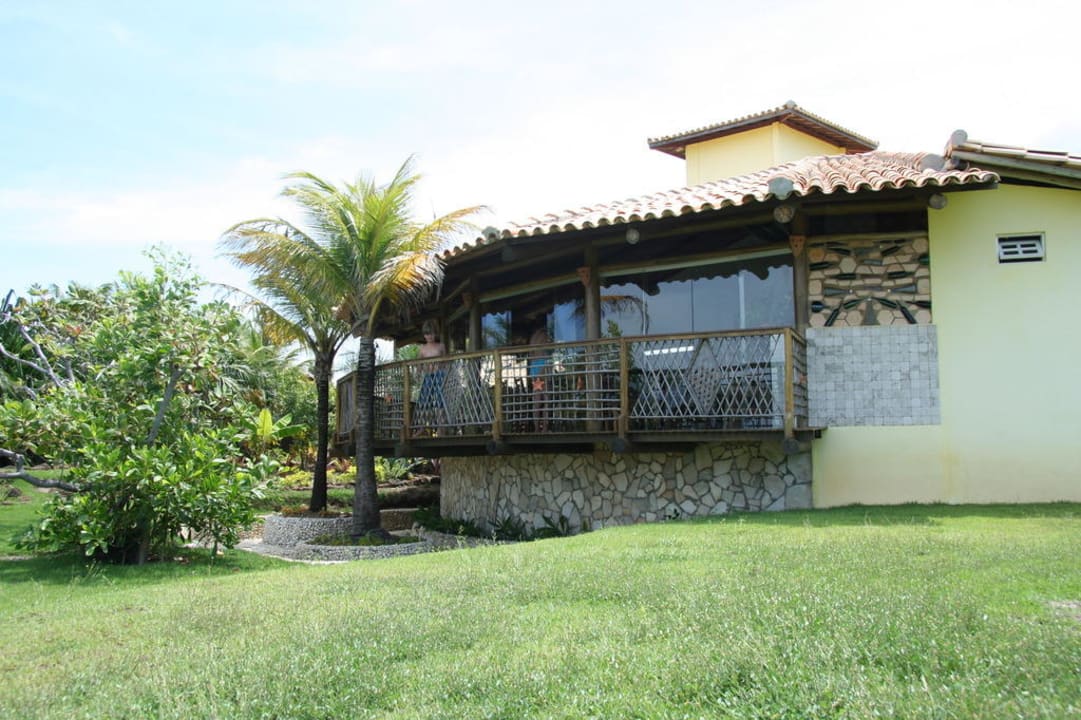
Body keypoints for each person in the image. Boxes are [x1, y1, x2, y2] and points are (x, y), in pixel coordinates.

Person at [416, 322, 446, 434]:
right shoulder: (422, 348)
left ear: (435, 334)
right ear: (424, 335)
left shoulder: (441, 346)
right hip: (428, 376)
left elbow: (446, 360)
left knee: (440, 400)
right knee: (425, 400)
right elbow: (419, 363)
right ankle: (422, 427)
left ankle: (441, 427)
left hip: (439, 374)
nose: (430, 336)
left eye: (432, 333)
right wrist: (418, 374)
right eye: (427, 334)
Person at [528, 322, 551, 432]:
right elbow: (549, 350)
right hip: (543, 364)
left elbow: (531, 355)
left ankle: (537, 428)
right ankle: (545, 428)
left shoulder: (532, 339)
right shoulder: (544, 336)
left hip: (534, 367)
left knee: (536, 402)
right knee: (546, 400)